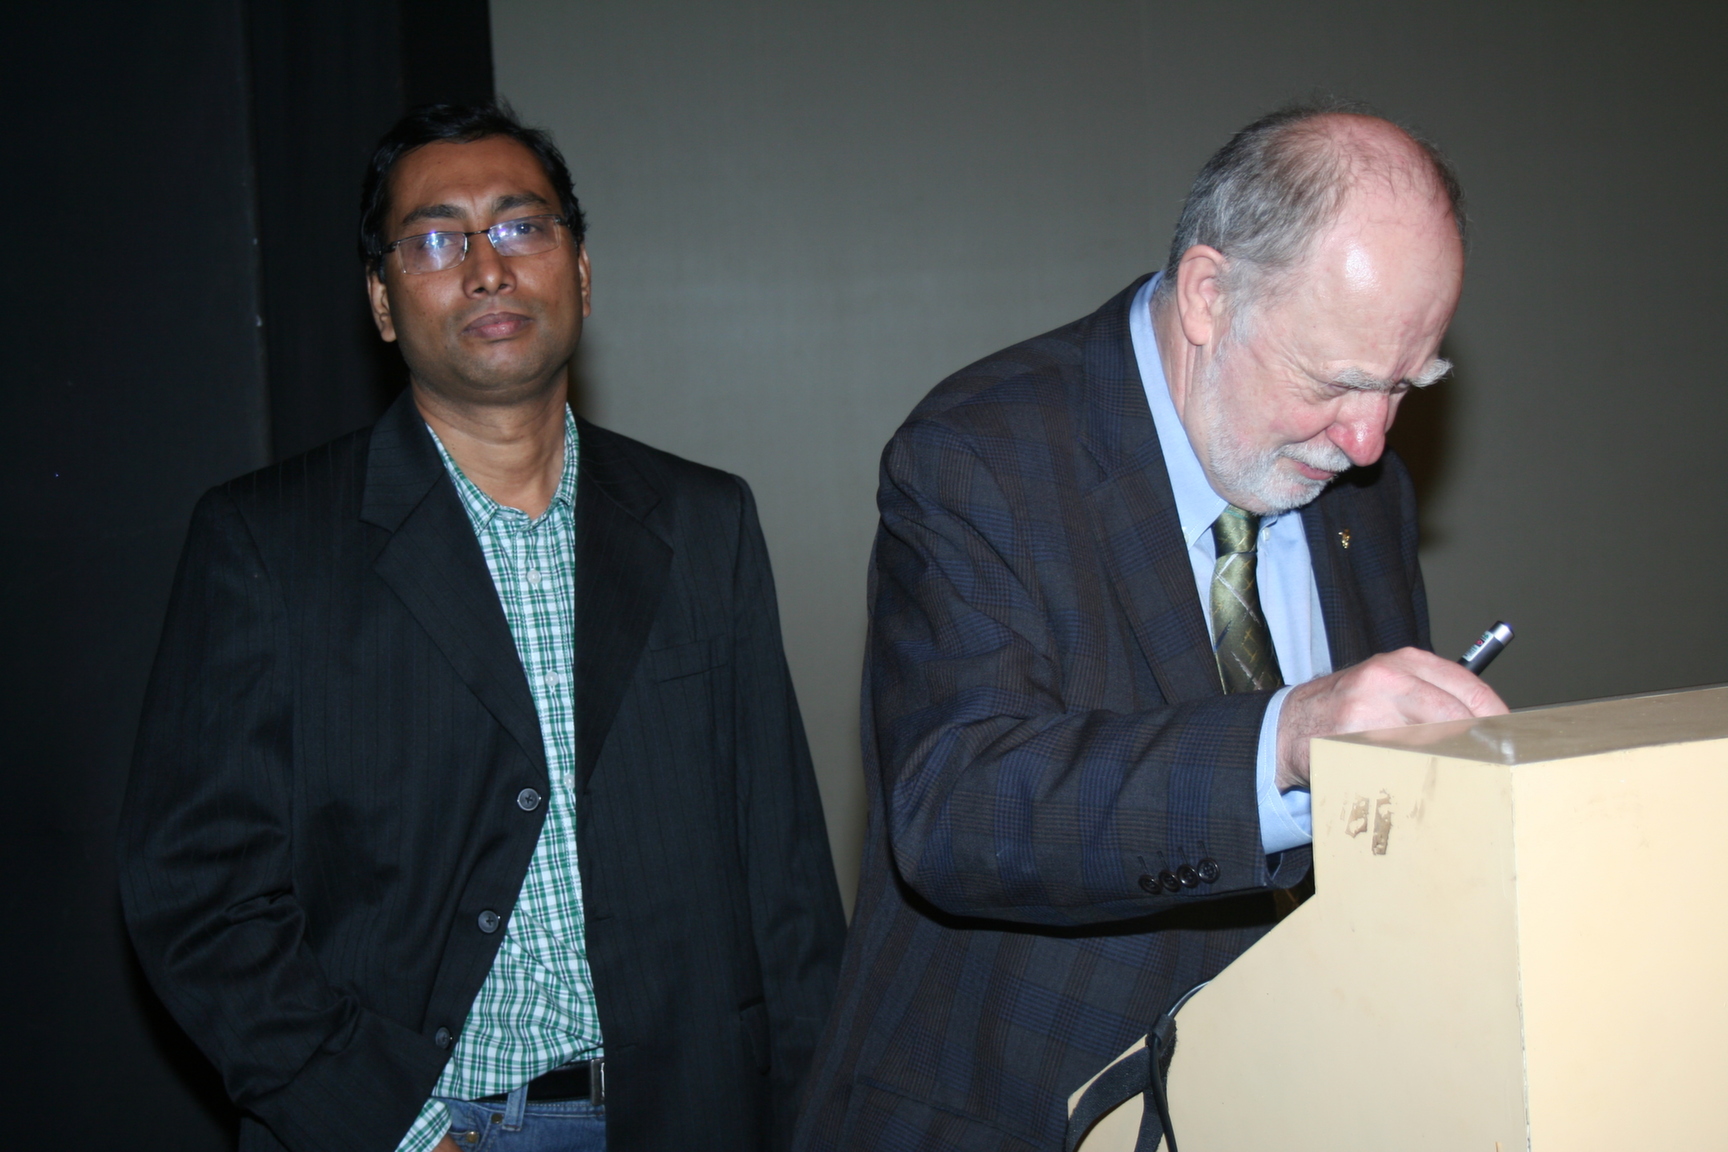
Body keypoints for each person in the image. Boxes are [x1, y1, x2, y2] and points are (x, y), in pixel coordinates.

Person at [119, 103, 845, 1152]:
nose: (488, 270)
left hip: (694, 1111)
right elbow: (196, 892)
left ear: (581, 270)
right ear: (382, 302)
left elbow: (786, 883)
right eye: (434, 241)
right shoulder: (266, 543)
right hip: (434, 1124)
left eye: (520, 227)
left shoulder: (704, 521)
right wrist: (403, 1128)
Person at [793, 103, 1508, 1151]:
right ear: (1210, 294)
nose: (1368, 440)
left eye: (1407, 385)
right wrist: (1286, 737)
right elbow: (956, 808)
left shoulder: (1367, 488)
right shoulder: (981, 453)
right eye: (1340, 382)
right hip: (1025, 1111)